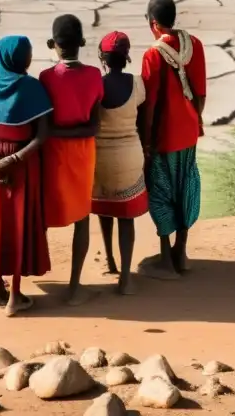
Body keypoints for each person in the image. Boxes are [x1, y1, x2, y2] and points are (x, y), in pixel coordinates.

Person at [0, 35, 53, 317]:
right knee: (18, 224)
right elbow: (41, 136)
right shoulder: (33, 88)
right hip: (22, 164)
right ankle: (15, 295)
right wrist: (14, 159)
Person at [140, 0, 207, 280]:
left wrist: (146, 142)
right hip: (188, 132)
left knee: (161, 192)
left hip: (165, 137)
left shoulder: (153, 54)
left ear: (153, 23)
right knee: (186, 186)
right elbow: (201, 93)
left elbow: (151, 105)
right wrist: (194, 120)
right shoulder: (195, 45)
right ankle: (182, 251)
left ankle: (166, 257)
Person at [39, 14, 104, 306]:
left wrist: (53, 131)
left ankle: (25, 275)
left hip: (51, 156)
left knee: (41, 215)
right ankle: (75, 286)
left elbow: (44, 122)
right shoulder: (93, 76)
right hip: (82, 156)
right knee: (81, 218)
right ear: (82, 43)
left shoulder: (46, 77)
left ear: (52, 44)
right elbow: (93, 126)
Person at [92, 31, 149, 295]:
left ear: (103, 58)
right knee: (126, 218)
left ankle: (109, 260)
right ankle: (125, 278)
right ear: (126, 56)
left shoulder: (97, 85)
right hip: (129, 155)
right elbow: (142, 120)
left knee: (105, 209)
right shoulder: (137, 84)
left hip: (100, 156)